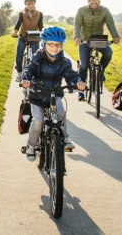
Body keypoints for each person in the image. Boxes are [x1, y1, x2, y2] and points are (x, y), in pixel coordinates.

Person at [21, 26, 86, 161]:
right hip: (37, 95)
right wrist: (26, 79)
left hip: (54, 94)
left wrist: (78, 82)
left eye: (58, 45)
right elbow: (29, 68)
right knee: (38, 121)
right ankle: (31, 145)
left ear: (62, 46)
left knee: (61, 113)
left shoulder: (65, 62)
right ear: (44, 44)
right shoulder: (37, 58)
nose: (54, 48)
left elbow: (71, 75)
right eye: (51, 44)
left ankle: (65, 138)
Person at [74, 0, 120, 101]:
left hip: (98, 40)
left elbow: (110, 23)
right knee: (84, 65)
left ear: (99, 1)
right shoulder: (81, 10)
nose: (94, 1)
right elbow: (77, 24)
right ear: (88, 0)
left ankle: (101, 70)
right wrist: (77, 37)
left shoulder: (104, 10)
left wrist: (115, 36)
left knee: (109, 53)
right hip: (84, 40)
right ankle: (81, 90)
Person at [12, 0, 44, 82]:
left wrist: (44, 34)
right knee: (19, 56)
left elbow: (41, 26)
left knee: (36, 56)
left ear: (34, 4)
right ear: (25, 5)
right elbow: (18, 24)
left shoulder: (39, 14)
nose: (30, 5)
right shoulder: (22, 14)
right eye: (28, 4)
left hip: (34, 37)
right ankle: (19, 72)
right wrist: (15, 32)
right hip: (23, 37)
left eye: (32, 3)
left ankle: (35, 73)